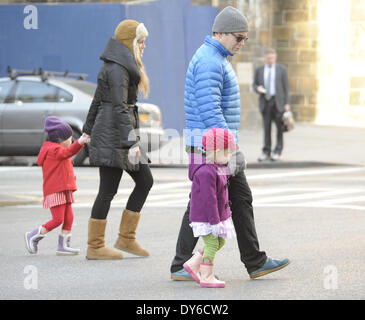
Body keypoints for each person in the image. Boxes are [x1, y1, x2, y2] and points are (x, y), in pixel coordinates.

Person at [170, 6, 290, 281]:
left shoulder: (216, 57)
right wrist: (232, 150)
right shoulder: (211, 61)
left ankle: (184, 263)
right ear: (220, 33)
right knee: (235, 198)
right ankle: (253, 261)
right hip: (212, 147)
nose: (242, 43)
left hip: (210, 145)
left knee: (211, 200)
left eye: (245, 38)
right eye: (239, 37)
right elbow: (211, 110)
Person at [83, 19, 154, 260]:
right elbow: (119, 107)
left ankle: (126, 238)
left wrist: (87, 128)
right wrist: (132, 142)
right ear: (130, 42)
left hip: (117, 133)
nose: (144, 46)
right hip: (114, 136)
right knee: (107, 190)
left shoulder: (119, 65)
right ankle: (95, 246)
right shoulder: (117, 68)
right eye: (141, 42)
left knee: (145, 181)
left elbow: (97, 99)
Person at [24, 116, 89, 255]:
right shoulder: (54, 150)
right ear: (61, 139)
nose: (71, 141)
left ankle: (63, 245)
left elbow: (63, 167)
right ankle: (33, 235)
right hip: (56, 190)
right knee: (58, 219)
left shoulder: (56, 149)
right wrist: (80, 142)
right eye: (70, 138)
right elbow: (69, 152)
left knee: (69, 217)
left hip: (64, 188)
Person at [183, 128, 237, 288]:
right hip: (205, 217)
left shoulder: (217, 166)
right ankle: (207, 276)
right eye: (228, 153)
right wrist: (214, 221)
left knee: (220, 242)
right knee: (213, 244)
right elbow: (209, 199)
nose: (229, 157)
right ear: (218, 151)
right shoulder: (206, 172)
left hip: (214, 216)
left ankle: (193, 264)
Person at [253, 48, 291, 162]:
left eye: (272, 58)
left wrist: (287, 103)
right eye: (268, 58)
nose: (270, 60)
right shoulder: (259, 70)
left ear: (275, 58)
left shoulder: (281, 69)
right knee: (267, 128)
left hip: (278, 102)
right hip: (265, 102)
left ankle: (278, 151)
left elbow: (286, 87)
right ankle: (266, 151)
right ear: (265, 58)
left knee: (280, 129)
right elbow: (254, 84)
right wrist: (257, 88)